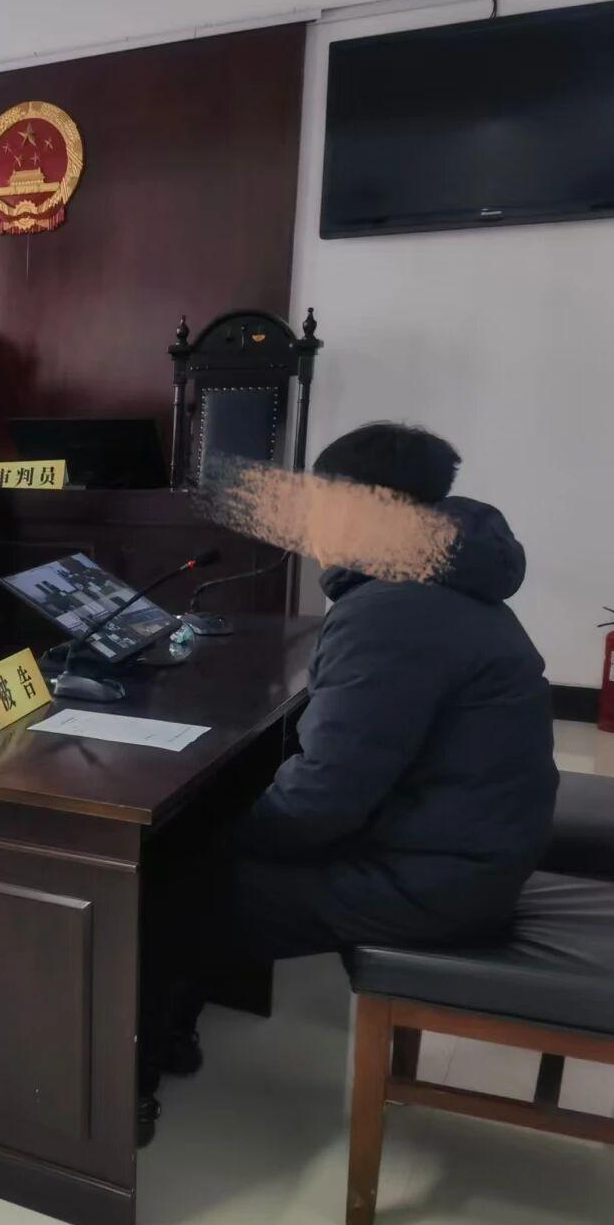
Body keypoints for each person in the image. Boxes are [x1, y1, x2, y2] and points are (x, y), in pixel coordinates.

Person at [140, 423, 557, 1136]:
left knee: (160, 886)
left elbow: (320, 805)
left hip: (436, 882)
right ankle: (173, 1027)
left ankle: (132, 1083)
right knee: (201, 846)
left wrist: (218, 831)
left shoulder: (393, 609)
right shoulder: (442, 576)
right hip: (469, 850)